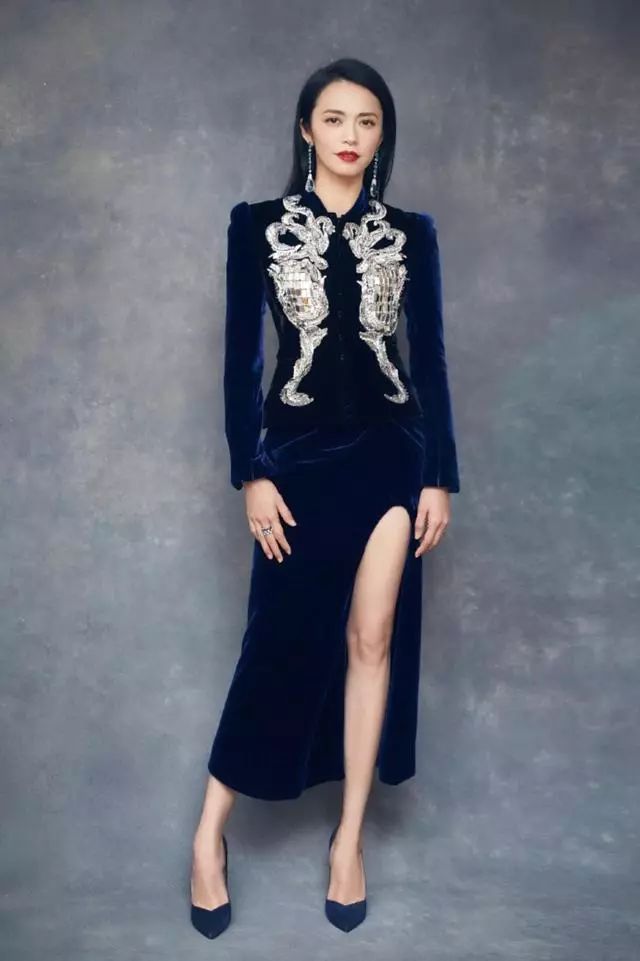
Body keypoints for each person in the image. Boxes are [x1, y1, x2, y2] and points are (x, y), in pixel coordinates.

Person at [190, 57, 461, 938]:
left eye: (368, 121)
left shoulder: (410, 233)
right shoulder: (257, 225)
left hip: (391, 457)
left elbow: (431, 360)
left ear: (383, 136)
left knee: (371, 639)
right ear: (306, 128)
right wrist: (252, 471)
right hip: (298, 463)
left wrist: (438, 475)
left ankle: (349, 840)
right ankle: (208, 836)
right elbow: (241, 361)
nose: (351, 136)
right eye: (335, 119)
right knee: (278, 643)